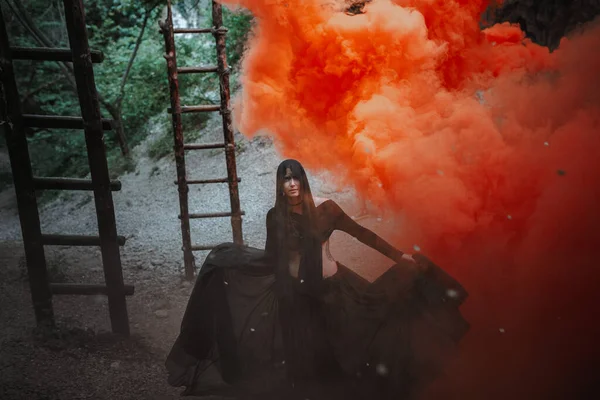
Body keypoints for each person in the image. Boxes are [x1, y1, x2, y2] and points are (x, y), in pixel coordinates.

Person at [166, 159, 469, 399]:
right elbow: (273, 258)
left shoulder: (327, 209)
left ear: (303, 179)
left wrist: (397, 256)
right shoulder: (276, 216)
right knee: (310, 358)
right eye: (286, 178)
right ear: (280, 184)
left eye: (296, 176)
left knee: (356, 342)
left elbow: (362, 234)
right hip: (296, 297)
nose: (292, 183)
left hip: (336, 291)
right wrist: (233, 258)